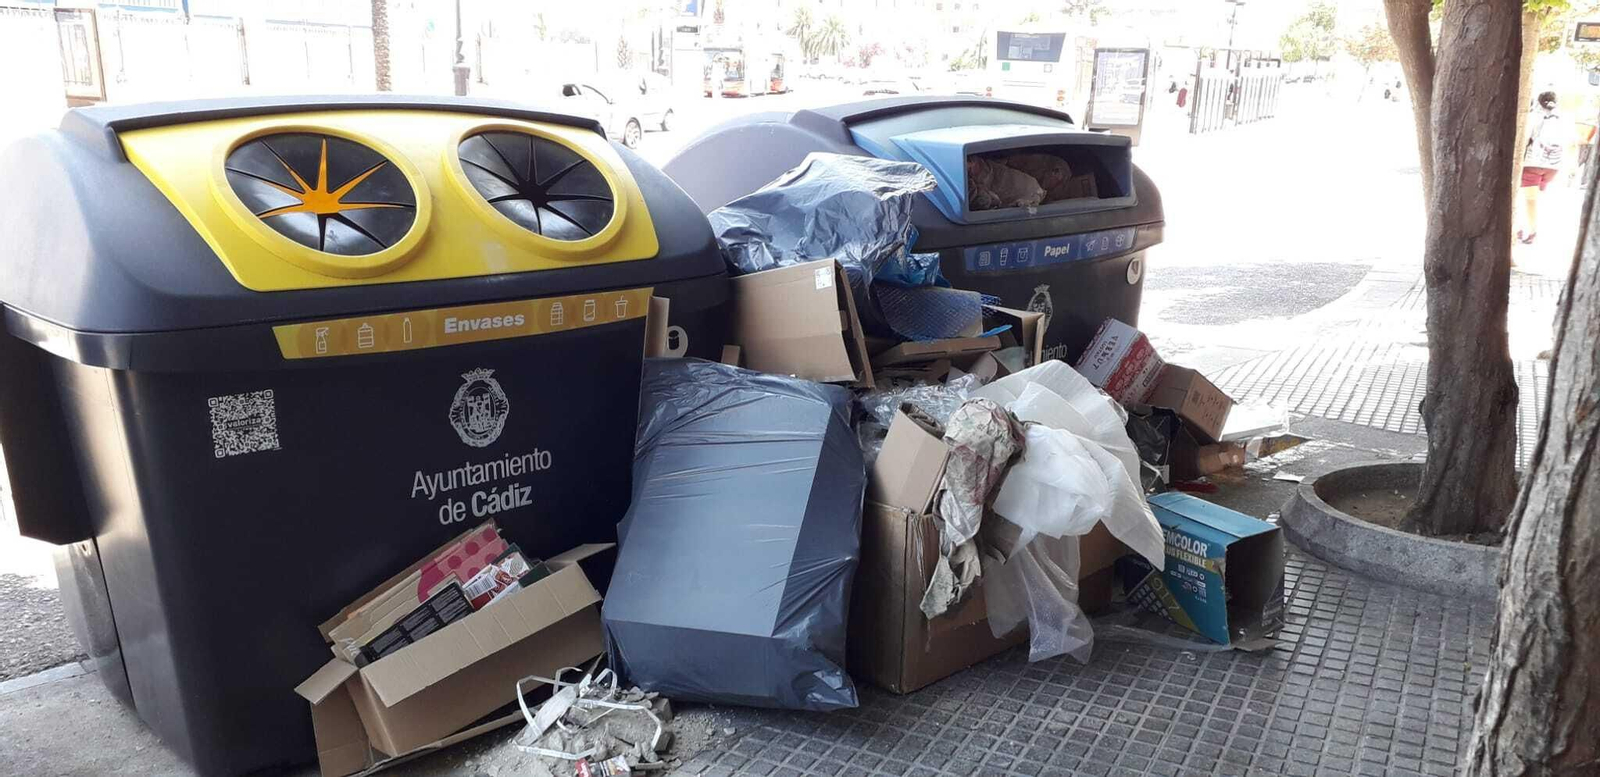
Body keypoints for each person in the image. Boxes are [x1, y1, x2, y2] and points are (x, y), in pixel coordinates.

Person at [1519, 90, 1573, 245]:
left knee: (1527, 199)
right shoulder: (1564, 118)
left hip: (1533, 163)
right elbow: (1571, 142)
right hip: (1553, 166)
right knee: (1535, 199)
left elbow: (1526, 138)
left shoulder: (1534, 116)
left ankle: (1528, 230)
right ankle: (1529, 228)